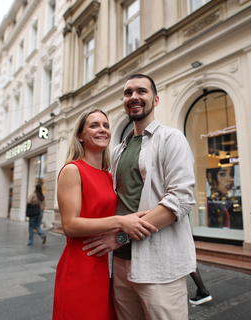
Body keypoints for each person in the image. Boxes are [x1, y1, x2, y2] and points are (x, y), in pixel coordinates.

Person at [82, 74, 197, 319]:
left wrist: (120, 237)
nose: (134, 96)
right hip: (120, 264)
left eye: (141, 91)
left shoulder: (171, 138)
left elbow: (181, 199)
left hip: (159, 265)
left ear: (155, 99)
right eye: (128, 93)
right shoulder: (118, 150)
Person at [52, 109, 157, 320]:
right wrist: (119, 222)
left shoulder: (108, 175)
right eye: (94, 125)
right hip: (80, 263)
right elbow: (69, 226)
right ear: (80, 136)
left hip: (104, 264)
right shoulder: (73, 170)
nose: (102, 130)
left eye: (106, 125)